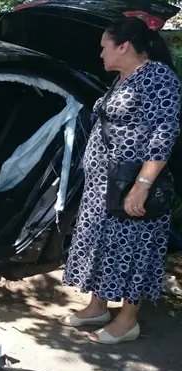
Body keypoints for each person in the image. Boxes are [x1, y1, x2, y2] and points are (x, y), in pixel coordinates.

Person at [59, 17, 181, 344]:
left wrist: (142, 185)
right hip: (105, 184)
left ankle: (128, 320)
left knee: (133, 248)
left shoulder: (158, 78)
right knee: (104, 245)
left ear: (123, 46)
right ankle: (97, 306)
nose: (100, 54)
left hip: (132, 182)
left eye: (104, 46)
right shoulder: (125, 78)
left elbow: (164, 134)